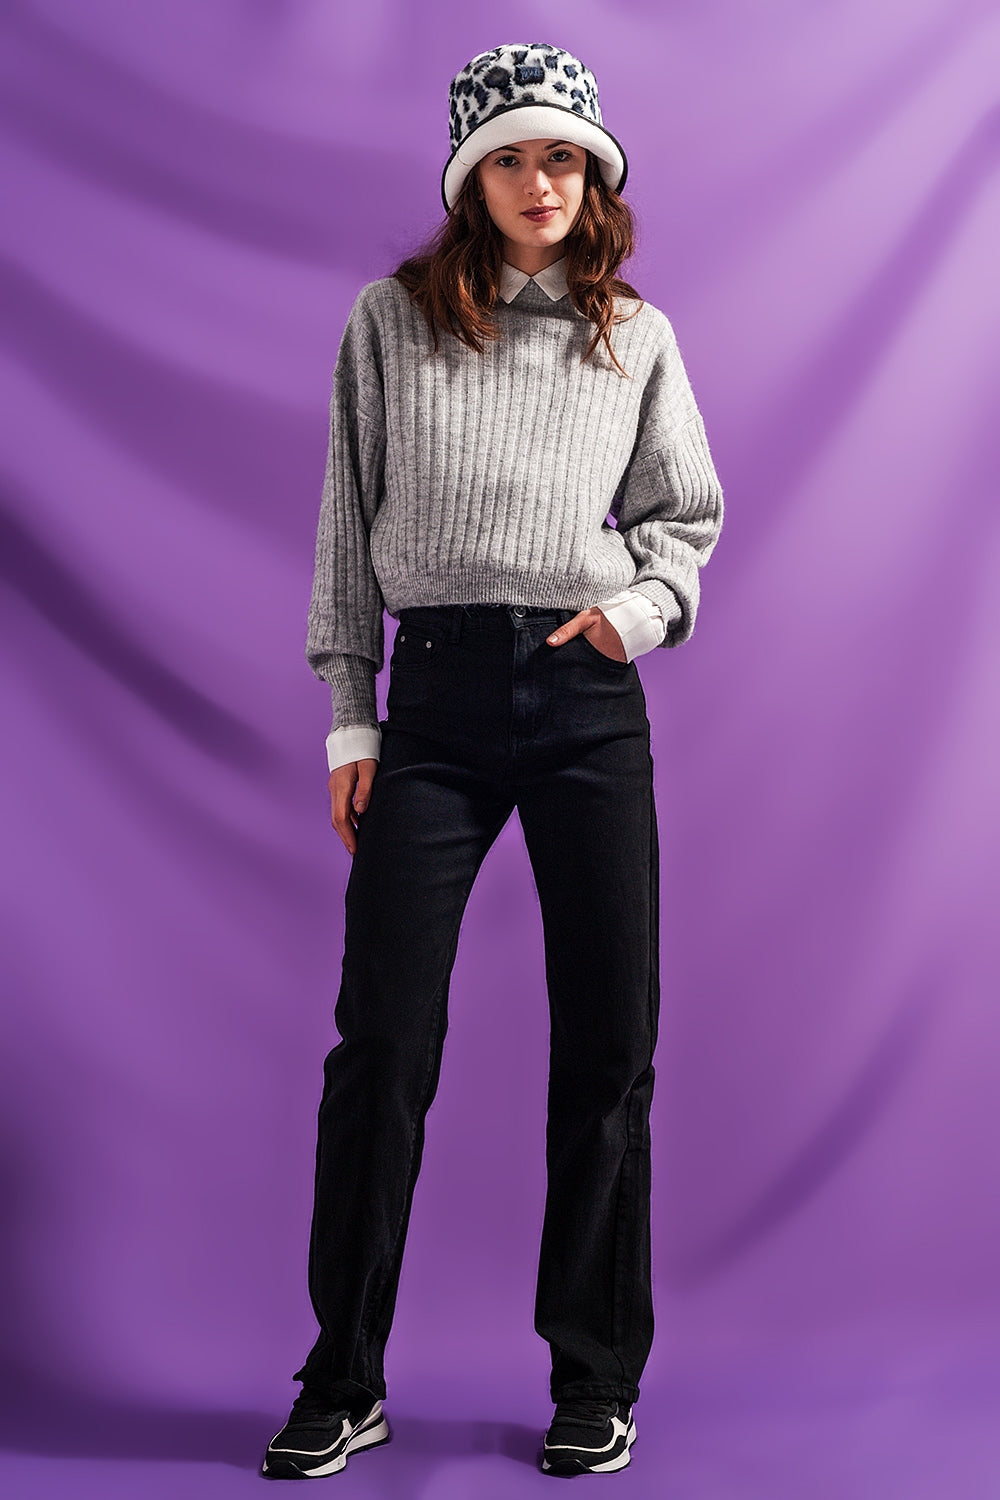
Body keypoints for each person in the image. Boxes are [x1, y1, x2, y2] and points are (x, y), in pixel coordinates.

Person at [262, 41, 724, 1481]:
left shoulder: (633, 333)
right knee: (383, 1043)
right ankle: (343, 1376)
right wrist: (352, 715)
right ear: (471, 180)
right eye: (514, 158)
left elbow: (685, 516)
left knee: (609, 1049)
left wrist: (639, 613)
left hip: (586, 697)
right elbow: (346, 526)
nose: (542, 182)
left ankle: (595, 1377)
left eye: (565, 157)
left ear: (596, 180)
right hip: (440, 701)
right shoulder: (389, 322)